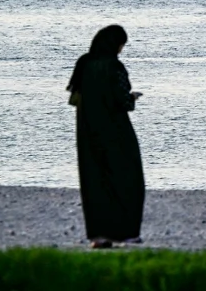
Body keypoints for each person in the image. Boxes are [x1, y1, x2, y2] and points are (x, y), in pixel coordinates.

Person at [67, 25, 145, 248]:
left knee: (95, 182)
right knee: (128, 178)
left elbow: (75, 97)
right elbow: (123, 101)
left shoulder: (83, 63)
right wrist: (133, 97)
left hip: (88, 133)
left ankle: (99, 236)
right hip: (116, 131)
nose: (121, 50)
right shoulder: (114, 66)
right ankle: (126, 232)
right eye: (121, 45)